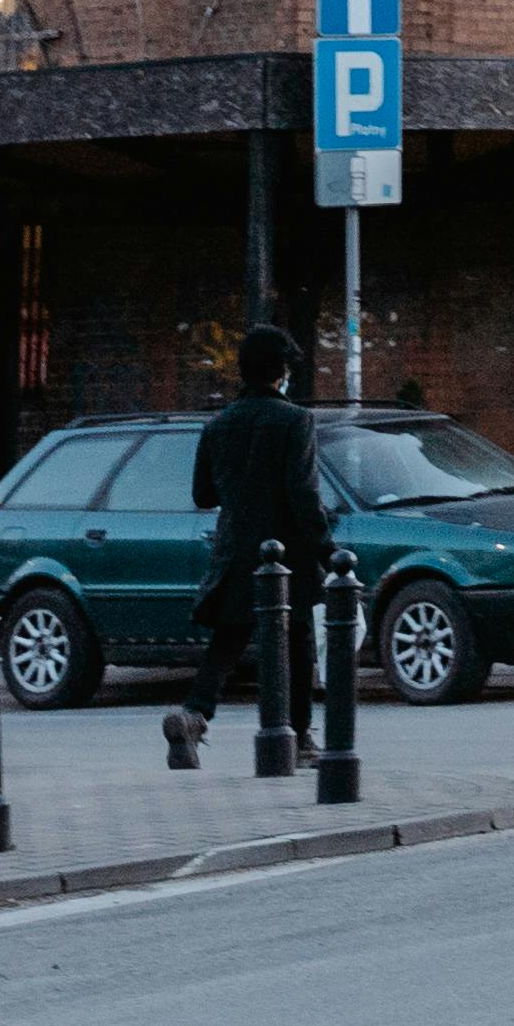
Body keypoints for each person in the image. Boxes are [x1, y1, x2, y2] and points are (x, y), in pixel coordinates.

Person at [168, 321, 331, 769]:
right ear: (281, 372)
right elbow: (304, 496)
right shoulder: (296, 420)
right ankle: (297, 738)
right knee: (298, 642)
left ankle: (194, 715)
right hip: (287, 555)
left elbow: (203, 494)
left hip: (236, 550)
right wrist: (328, 552)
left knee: (228, 641)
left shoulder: (219, 424)